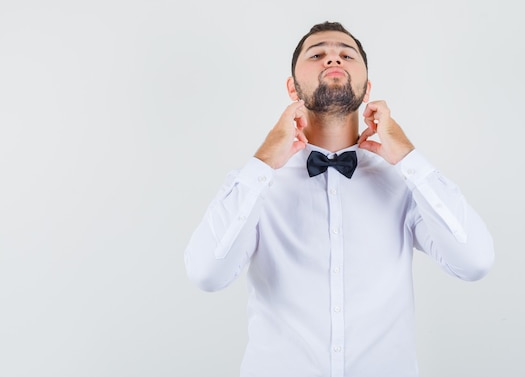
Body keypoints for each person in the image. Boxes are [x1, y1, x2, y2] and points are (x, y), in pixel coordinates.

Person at [184, 21, 494, 377]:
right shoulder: (255, 186)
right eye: (317, 54)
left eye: (347, 55)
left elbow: (475, 262)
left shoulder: (404, 183)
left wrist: (409, 158)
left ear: (367, 89)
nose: (333, 59)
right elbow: (207, 273)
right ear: (292, 87)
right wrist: (264, 160)